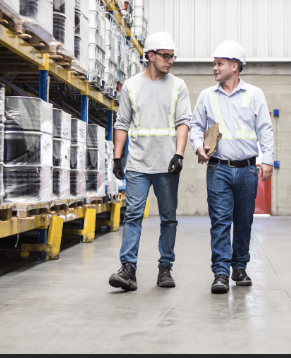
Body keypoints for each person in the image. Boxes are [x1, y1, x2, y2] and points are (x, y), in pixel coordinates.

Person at [188, 40, 274, 294]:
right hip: (218, 169)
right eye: (215, 64)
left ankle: (239, 267)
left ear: (234, 66)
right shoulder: (206, 96)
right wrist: (197, 146)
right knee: (220, 222)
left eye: (219, 63)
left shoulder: (254, 94)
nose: (215, 68)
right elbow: (195, 127)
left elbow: (265, 130)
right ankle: (221, 273)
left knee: (244, 220)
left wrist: (266, 159)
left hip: (248, 169)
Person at [108, 32, 191, 291]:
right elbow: (121, 123)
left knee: (168, 218)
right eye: (165, 56)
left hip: (167, 165)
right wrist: (118, 158)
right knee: (132, 216)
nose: (170, 61)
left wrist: (179, 154)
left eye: (172, 57)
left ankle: (165, 268)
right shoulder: (131, 86)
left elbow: (183, 122)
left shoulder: (178, 86)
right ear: (150, 56)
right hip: (138, 164)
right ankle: (128, 269)